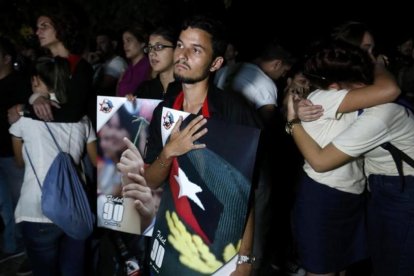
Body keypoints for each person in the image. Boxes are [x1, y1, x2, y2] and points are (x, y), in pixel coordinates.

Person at [143, 15, 261, 276]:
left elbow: (247, 193)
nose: (182, 55)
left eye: (195, 50)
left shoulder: (235, 114)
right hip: (172, 237)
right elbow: (150, 180)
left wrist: (245, 258)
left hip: (220, 250)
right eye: (180, 45)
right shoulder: (165, 111)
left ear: (216, 62)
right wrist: (169, 152)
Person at [286, 42, 411, 276]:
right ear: (334, 85)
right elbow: (390, 89)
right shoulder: (328, 97)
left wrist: (293, 116)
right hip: (322, 196)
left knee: (340, 267)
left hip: (351, 194)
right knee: (321, 270)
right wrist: (292, 121)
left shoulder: (345, 96)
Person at [9, 56, 97, 276]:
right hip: (74, 208)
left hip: (37, 210)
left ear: (37, 81)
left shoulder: (23, 119)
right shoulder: (82, 120)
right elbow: (97, 162)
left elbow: (19, 162)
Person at [0, 36, 30, 266]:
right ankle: (12, 244)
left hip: (12, 153)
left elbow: (21, 121)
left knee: (18, 200)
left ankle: (24, 246)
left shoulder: (19, 82)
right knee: (3, 203)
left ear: (7, 58)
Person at [131, 25, 181, 100]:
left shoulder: (187, 90)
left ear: (175, 49)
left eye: (159, 47)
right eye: (150, 48)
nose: (151, 53)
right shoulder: (144, 89)